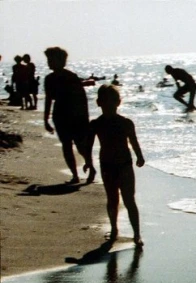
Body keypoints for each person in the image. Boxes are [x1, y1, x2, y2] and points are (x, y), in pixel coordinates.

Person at [86, 85, 145, 247]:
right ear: (98, 103)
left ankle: (137, 234)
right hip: (107, 166)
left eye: (112, 102)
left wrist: (140, 156)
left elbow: (133, 142)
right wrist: (88, 163)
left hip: (125, 165)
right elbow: (89, 145)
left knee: (129, 199)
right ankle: (114, 229)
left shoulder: (126, 123)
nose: (109, 105)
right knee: (112, 199)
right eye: (105, 102)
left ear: (118, 103)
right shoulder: (96, 124)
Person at [43, 46, 96, 184]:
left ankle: (90, 167)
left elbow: (81, 98)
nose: (49, 62)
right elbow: (49, 99)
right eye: (48, 59)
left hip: (74, 115)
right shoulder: (50, 78)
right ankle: (75, 175)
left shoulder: (70, 77)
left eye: (51, 59)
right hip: (61, 115)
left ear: (61, 61)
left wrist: (85, 118)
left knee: (79, 145)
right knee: (67, 145)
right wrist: (46, 120)